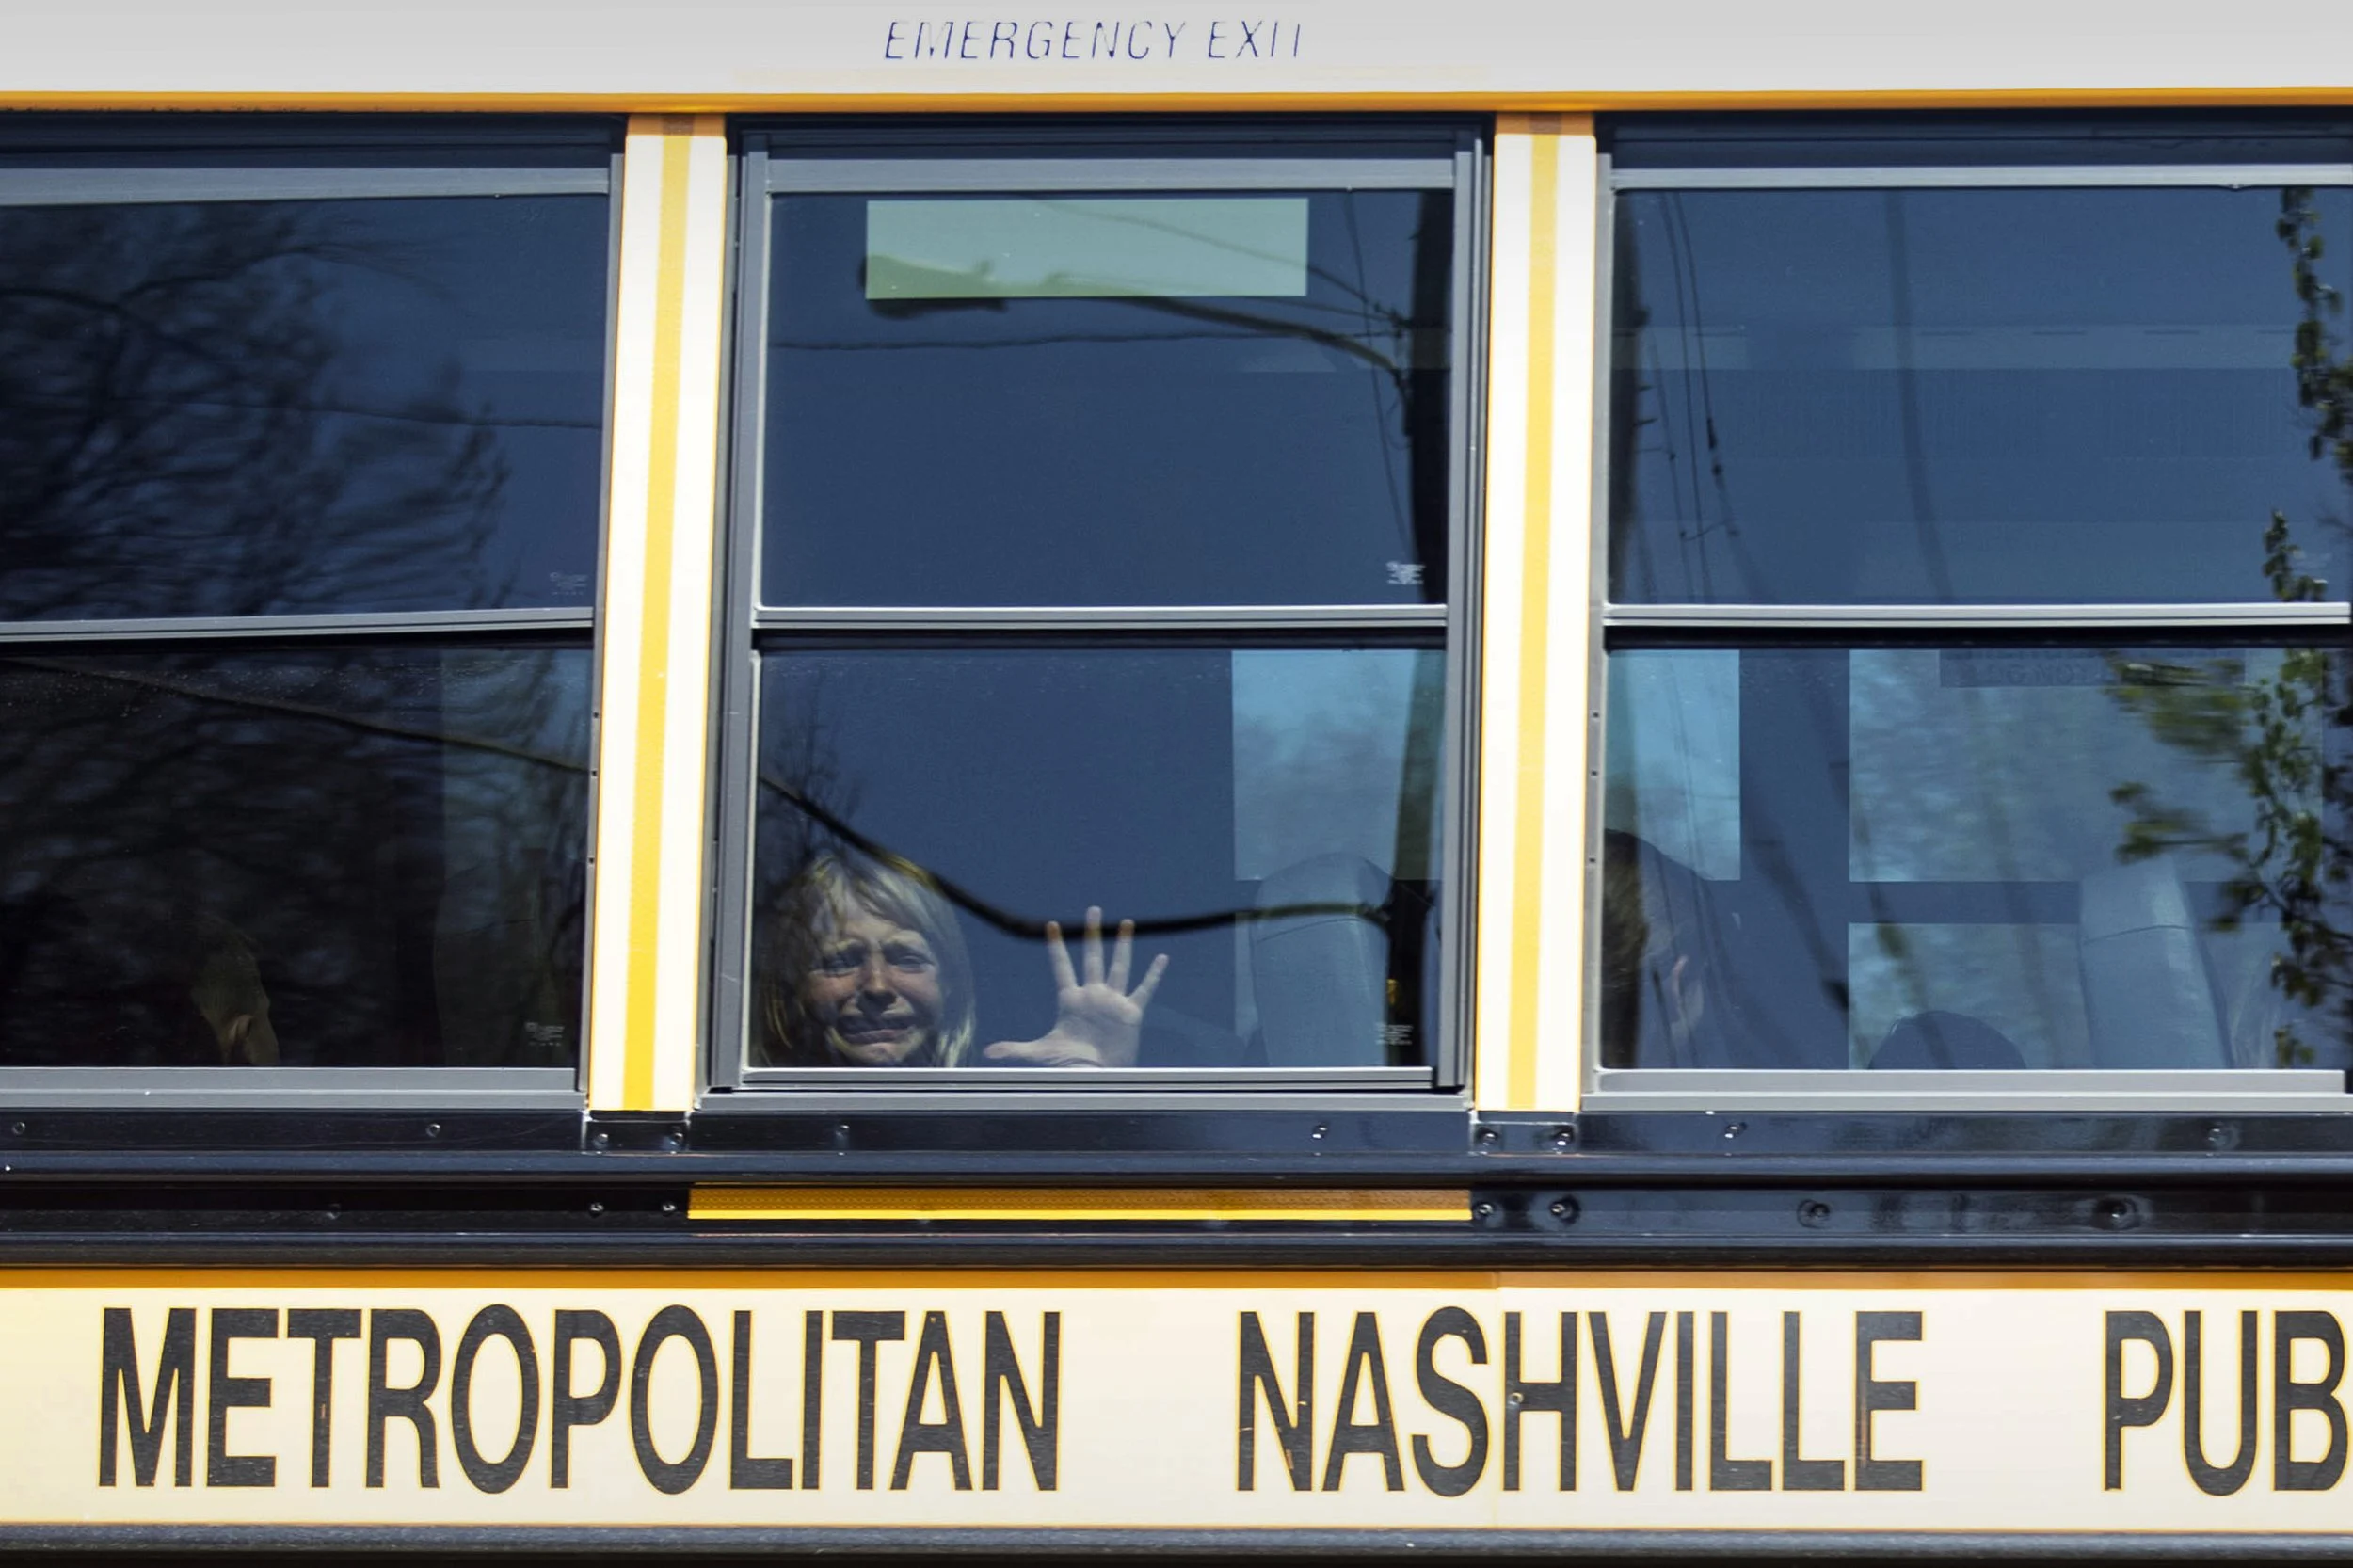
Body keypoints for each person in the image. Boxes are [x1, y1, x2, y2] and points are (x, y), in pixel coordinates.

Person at [760, 850, 1168, 1069]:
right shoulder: (756, 1126)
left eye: (907, 958)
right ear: (794, 989)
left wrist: (1088, 1075)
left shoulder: (1000, 1111)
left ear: (950, 984)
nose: (877, 986)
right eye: (841, 962)